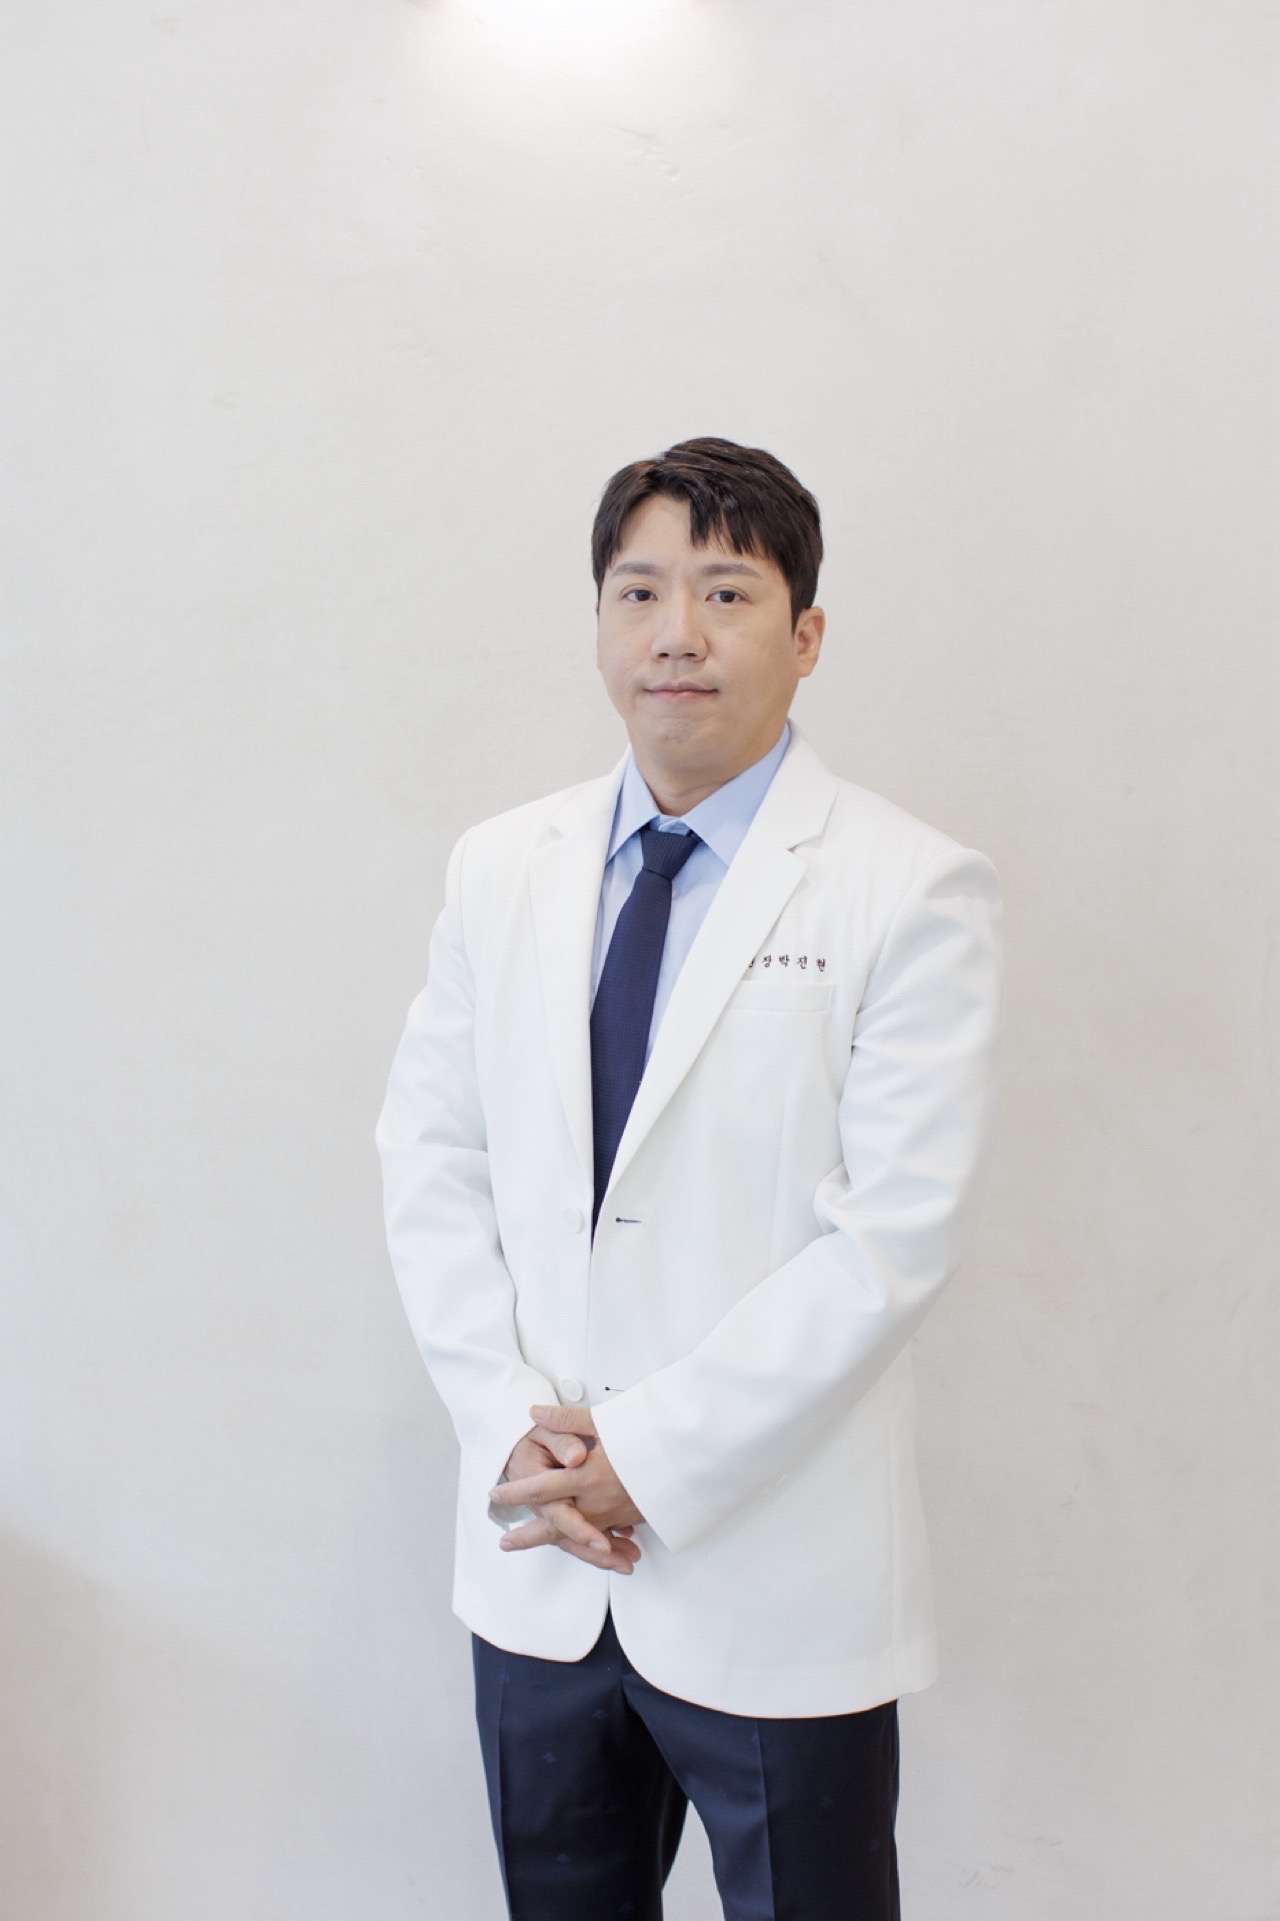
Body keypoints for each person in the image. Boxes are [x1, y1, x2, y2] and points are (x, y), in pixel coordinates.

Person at [376, 435, 1004, 1920]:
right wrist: (512, 1430)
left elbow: (890, 1242)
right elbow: (432, 1156)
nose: (676, 632)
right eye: (640, 590)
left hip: (772, 1572)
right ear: (601, 622)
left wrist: (647, 1455)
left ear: (806, 635)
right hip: (539, 1565)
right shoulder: (500, 866)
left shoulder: (910, 888)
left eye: (726, 593)